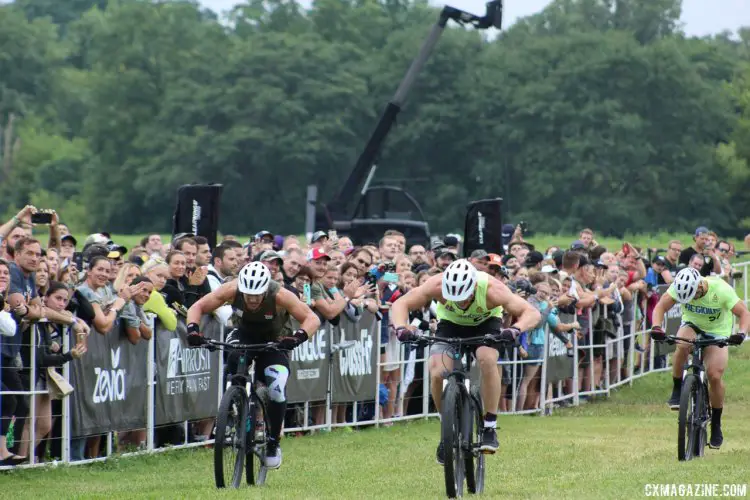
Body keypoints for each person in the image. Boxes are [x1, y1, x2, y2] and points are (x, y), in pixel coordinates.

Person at [391, 259, 541, 464]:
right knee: (436, 371)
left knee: (486, 359)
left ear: (473, 288)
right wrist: (401, 327)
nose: (460, 303)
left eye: (464, 297)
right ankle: (447, 429)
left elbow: (532, 313)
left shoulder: (492, 289)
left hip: (486, 323)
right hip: (450, 324)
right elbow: (402, 303)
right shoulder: (436, 284)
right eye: (455, 298)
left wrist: (515, 330)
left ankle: (489, 425)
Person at [185, 262, 320, 469]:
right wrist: (193, 330)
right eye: (248, 296)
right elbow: (198, 307)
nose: (253, 300)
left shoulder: (280, 295)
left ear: (266, 289)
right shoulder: (231, 289)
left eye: (257, 296)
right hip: (244, 334)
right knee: (233, 358)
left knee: (277, 386)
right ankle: (232, 405)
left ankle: (273, 442)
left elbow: (312, 318)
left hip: (275, 339)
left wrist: (297, 338)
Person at [650, 268, 748, 449]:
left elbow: (744, 313)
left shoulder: (721, 289)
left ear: (700, 286)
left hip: (718, 332)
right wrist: (656, 327)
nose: (692, 300)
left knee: (715, 375)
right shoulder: (678, 287)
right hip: (692, 325)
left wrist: (741, 334)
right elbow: (660, 307)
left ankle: (716, 424)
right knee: (681, 345)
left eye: (693, 296)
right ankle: (678, 388)